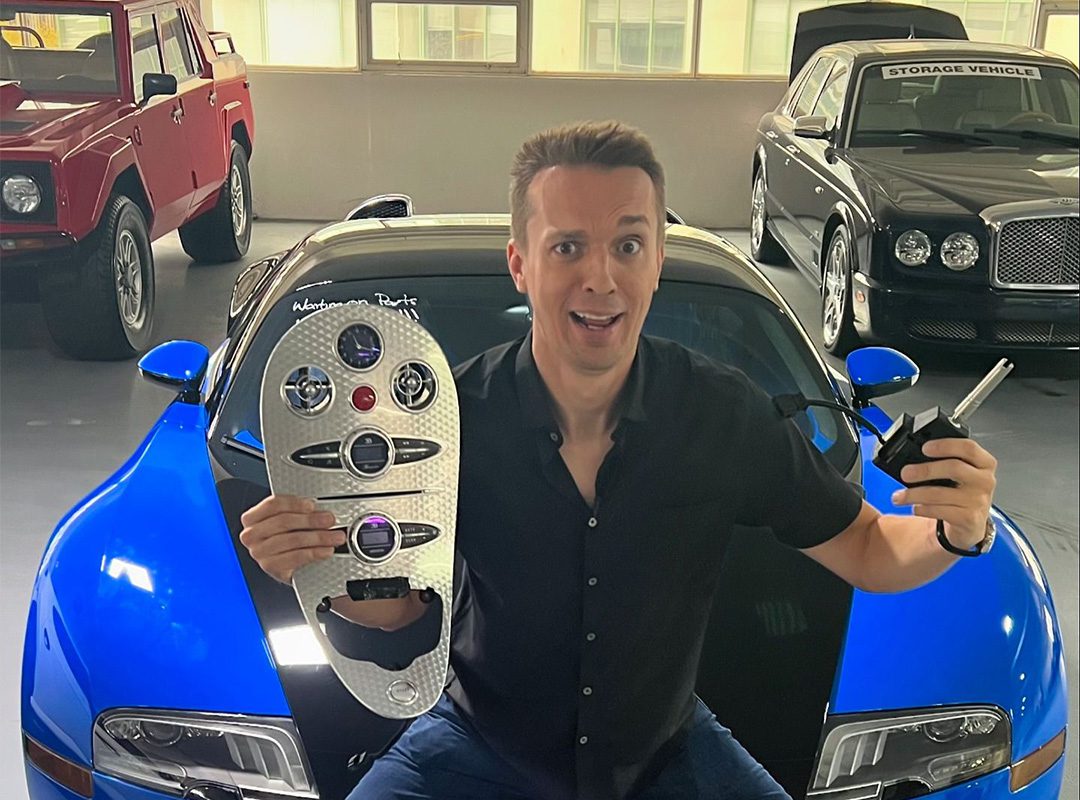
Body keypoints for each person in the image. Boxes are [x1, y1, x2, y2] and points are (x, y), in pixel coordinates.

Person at [239, 120, 999, 800]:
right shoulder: (446, 422)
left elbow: (868, 544)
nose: (600, 277)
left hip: (667, 756)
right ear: (520, 263)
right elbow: (401, 627)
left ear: (657, 260)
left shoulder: (720, 413)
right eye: (567, 246)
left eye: (627, 245)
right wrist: (330, 571)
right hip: (476, 748)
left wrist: (952, 531)